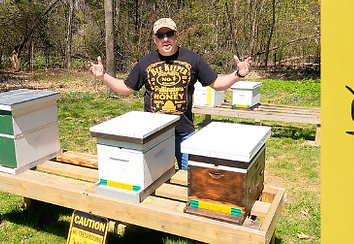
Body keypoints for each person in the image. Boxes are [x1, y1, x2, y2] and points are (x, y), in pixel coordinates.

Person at [88, 18, 252, 170]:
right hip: (153, 134)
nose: (165, 39)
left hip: (184, 132)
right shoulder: (145, 62)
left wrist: (238, 74)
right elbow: (126, 88)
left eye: (169, 34)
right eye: (160, 35)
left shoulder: (193, 59)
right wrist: (104, 76)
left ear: (176, 36)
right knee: (153, 178)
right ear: (155, 39)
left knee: (189, 177)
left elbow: (216, 83)